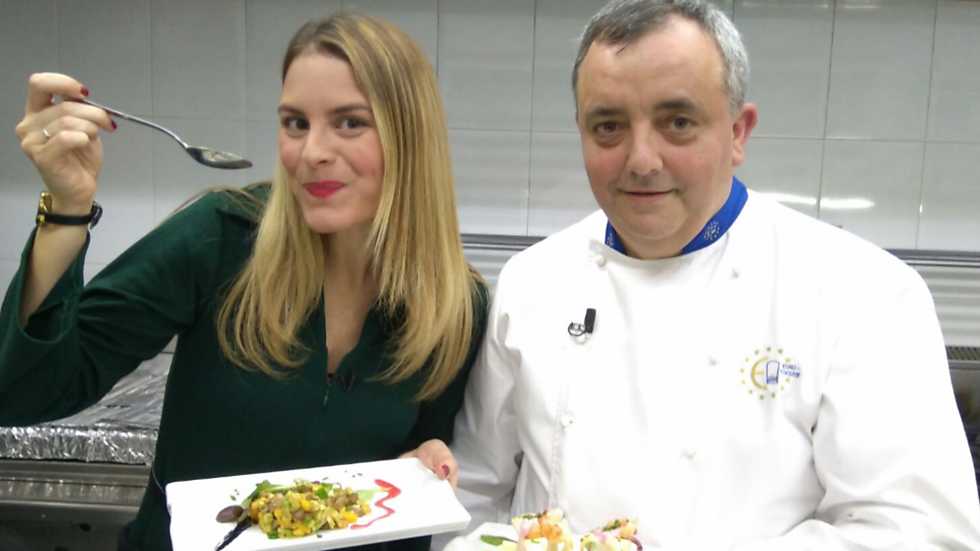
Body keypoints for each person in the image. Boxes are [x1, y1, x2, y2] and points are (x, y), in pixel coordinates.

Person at [448, 0, 980, 549]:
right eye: (608, 127)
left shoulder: (861, 293)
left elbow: (921, 531)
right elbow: (476, 491)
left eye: (677, 123)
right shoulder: (532, 282)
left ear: (738, 132)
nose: (641, 160)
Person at [1, 12, 486, 551]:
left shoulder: (453, 305)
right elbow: (24, 392)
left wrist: (421, 462)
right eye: (295, 123)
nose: (311, 152)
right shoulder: (220, 239)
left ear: (410, 138)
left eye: (350, 123)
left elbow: (422, 455)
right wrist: (66, 209)